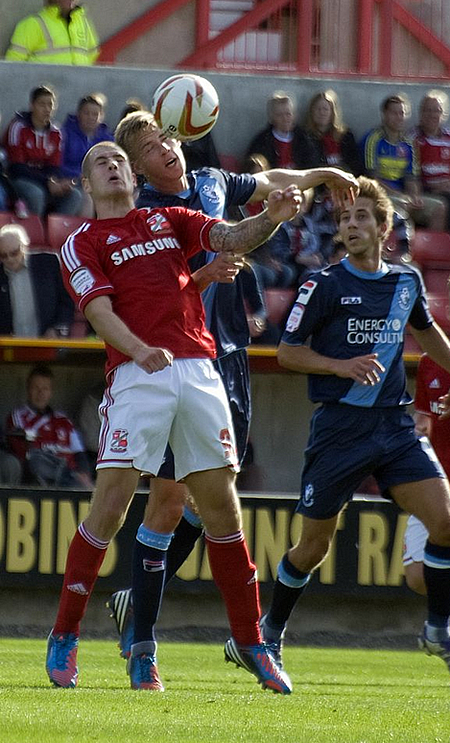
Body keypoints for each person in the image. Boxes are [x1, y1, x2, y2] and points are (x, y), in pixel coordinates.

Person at [46, 139, 307, 694]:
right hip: (137, 376)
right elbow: (97, 312)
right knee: (112, 505)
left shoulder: (169, 218)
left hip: (199, 370)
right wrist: (139, 350)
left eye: (119, 159)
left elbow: (230, 237)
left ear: (134, 177)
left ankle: (253, 644)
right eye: (100, 162)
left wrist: (272, 216)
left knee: (221, 510)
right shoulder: (83, 241)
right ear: (86, 186)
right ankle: (65, 636)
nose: (114, 165)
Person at [105, 112, 358, 673]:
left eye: (167, 138)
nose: (166, 150)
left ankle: (141, 600)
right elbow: (150, 296)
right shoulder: (144, 212)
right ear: (139, 166)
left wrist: (326, 175)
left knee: (218, 493)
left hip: (230, 358)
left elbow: (273, 184)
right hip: (179, 361)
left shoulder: (214, 181)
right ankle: (142, 640)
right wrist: (202, 276)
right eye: (150, 147)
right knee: (170, 499)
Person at [258, 175, 450, 680]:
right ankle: (270, 632)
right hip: (339, 430)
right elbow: (287, 353)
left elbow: (429, 339)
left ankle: (438, 628)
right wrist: (340, 366)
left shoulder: (406, 282)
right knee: (313, 547)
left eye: (362, 216)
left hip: (393, 425)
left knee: (447, 519)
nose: (351, 225)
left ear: (384, 227)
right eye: (344, 219)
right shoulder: (322, 285)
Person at [361, 94, 447, 231]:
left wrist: (415, 197)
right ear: (384, 115)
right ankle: (399, 249)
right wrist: (400, 195)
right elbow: (372, 179)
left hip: (403, 196)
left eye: (401, 113)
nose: (398, 117)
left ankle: (428, 250)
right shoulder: (373, 139)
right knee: (403, 206)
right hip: (380, 195)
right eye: (394, 113)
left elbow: (412, 178)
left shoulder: (408, 144)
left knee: (439, 207)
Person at [403, 354, 450, 596]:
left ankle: (439, 629)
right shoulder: (430, 360)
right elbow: (424, 416)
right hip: (439, 483)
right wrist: (417, 425)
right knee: (418, 574)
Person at [5, 365, 92, 488]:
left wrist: (84, 474)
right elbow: (23, 455)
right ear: (28, 389)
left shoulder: (64, 420)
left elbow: (79, 452)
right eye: (36, 388)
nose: (40, 393)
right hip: (40, 478)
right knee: (37, 460)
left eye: (45, 389)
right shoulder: (18, 416)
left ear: (51, 392)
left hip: (71, 477)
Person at [3, 85, 82, 217]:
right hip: (18, 180)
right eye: (42, 104)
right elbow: (17, 167)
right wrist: (47, 182)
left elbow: (54, 167)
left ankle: (55, 232)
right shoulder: (18, 127)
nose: (46, 109)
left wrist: (57, 183)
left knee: (75, 195)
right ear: (32, 105)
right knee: (36, 194)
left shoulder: (56, 133)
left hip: (44, 181)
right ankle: (35, 233)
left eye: (50, 105)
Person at [0, 224, 74, 337]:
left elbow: (66, 301)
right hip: (10, 346)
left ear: (24, 246)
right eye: (3, 255)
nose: (10, 259)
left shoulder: (48, 263)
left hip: (47, 342)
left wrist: (57, 328)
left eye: (14, 253)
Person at [5, 0, 99, 66]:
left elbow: (92, 57)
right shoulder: (32, 24)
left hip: (79, 90)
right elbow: (14, 64)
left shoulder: (84, 24)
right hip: (45, 92)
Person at [302, 89, 365, 176]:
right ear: (311, 112)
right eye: (318, 109)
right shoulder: (305, 137)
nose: (322, 113)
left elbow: (355, 165)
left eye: (325, 109)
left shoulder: (346, 136)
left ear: (333, 112)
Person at [411, 90, 450, 229]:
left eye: (436, 110)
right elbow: (410, 175)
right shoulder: (412, 139)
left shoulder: (448, 138)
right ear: (420, 113)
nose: (432, 115)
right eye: (427, 110)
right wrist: (431, 186)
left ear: (443, 114)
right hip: (426, 191)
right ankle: (437, 248)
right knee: (443, 205)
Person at [246, 91, 310, 169]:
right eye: (279, 115)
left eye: (288, 114)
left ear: (294, 116)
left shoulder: (304, 139)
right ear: (271, 118)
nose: (285, 119)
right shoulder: (261, 142)